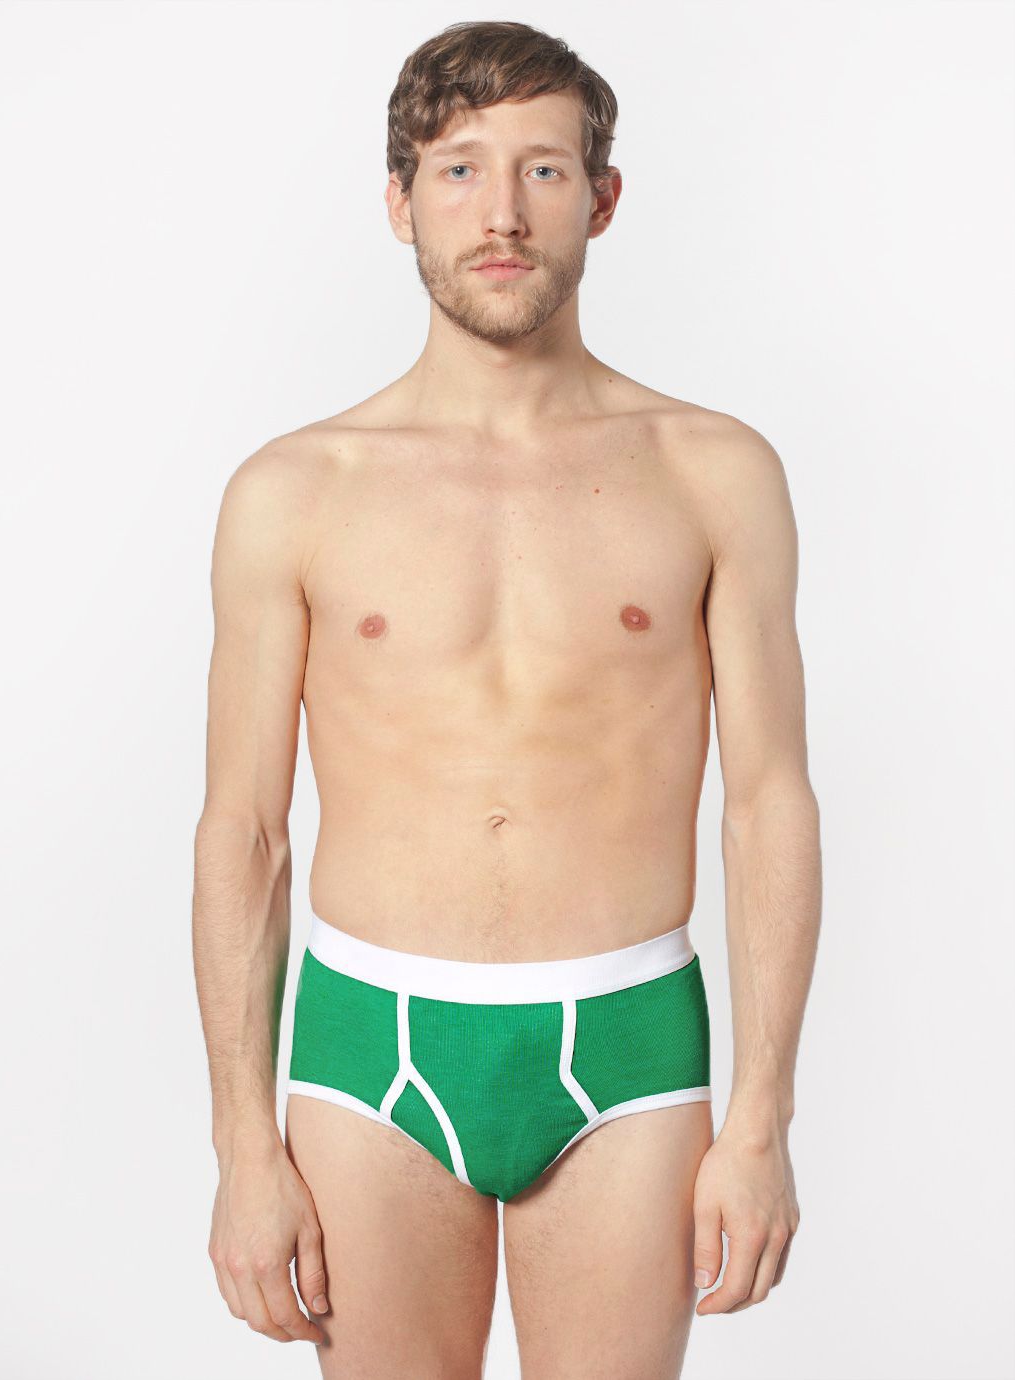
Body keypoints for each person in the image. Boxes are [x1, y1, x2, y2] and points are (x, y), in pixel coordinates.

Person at [192, 19, 821, 1378]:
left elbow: (769, 800)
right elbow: (244, 832)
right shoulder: (294, 491)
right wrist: (243, 1145)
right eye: (460, 168)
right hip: (369, 1039)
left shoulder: (714, 472)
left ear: (602, 197)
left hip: (627, 1037)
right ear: (399, 201)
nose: (501, 213)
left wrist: (763, 1118)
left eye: (543, 170)